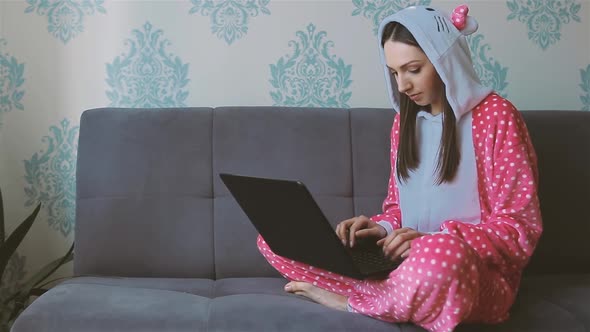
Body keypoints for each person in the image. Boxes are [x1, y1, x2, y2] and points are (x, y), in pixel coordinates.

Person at [257, 4, 543, 332]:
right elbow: (397, 210)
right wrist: (381, 230)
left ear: (445, 61)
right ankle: (389, 294)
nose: (403, 84)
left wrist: (430, 240)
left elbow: (518, 231)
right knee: (276, 238)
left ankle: (355, 300)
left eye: (413, 69)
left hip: (470, 274)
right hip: (402, 266)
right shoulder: (402, 123)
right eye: (394, 72)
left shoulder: (496, 117)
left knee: (438, 256)